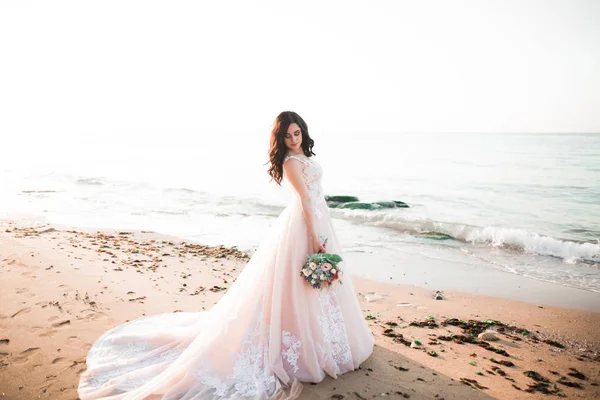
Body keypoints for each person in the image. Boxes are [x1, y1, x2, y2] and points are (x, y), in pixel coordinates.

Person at [78, 111, 374, 400]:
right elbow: (305, 199)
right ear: (280, 139)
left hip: (318, 219)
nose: (294, 139)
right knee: (300, 281)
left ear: (303, 131)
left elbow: (316, 196)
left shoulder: (304, 155)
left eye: (297, 133)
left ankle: (328, 336)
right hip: (305, 224)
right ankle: (301, 340)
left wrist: (322, 228)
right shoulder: (290, 163)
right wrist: (314, 237)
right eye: (287, 136)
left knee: (317, 284)